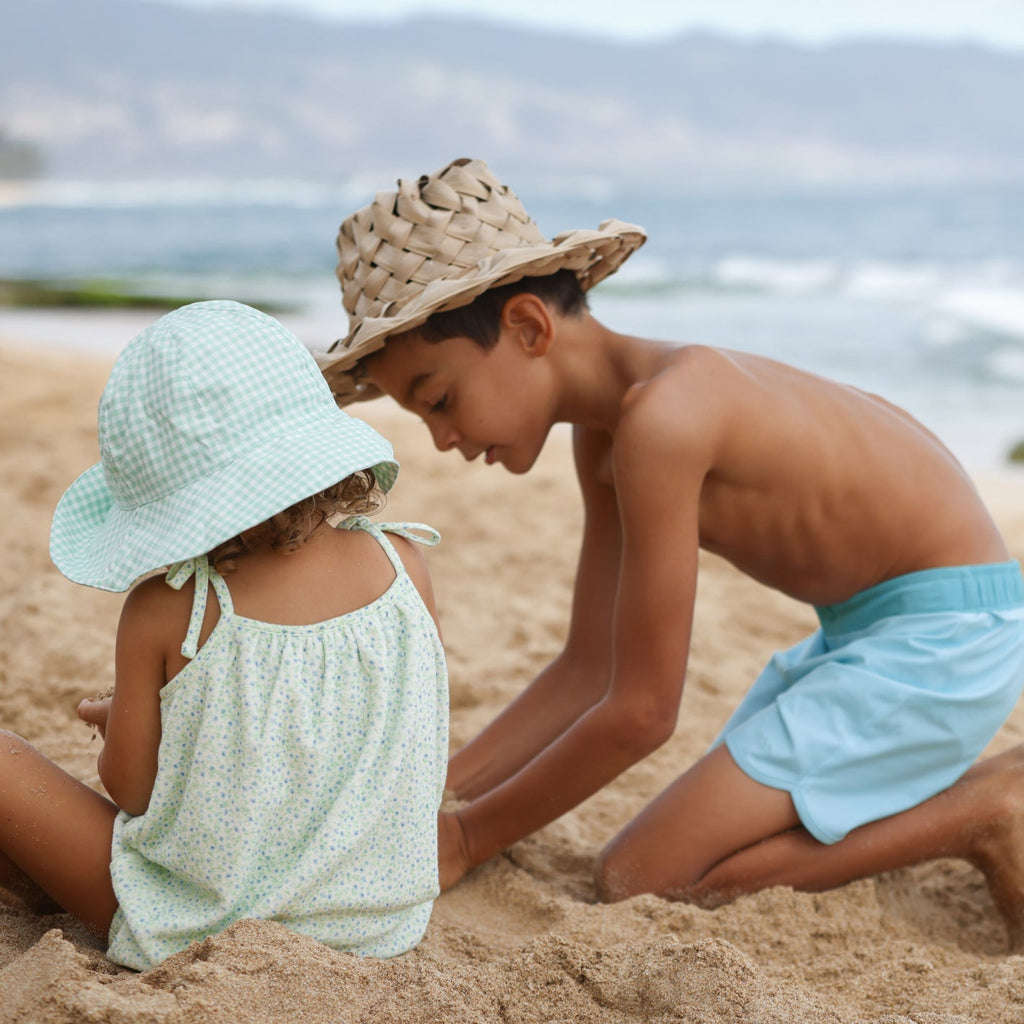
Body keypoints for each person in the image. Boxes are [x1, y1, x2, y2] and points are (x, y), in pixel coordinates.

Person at [318, 157, 1024, 950]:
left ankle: (986, 809)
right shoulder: (608, 432)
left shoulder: (665, 418)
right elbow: (587, 668)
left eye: (440, 400)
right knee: (698, 846)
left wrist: (470, 839)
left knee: (642, 875)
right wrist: (437, 793)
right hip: (875, 629)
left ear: (527, 328)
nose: (443, 441)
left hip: (944, 639)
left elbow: (645, 713)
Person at [0, 300, 448, 971]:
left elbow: (133, 791)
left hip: (200, 927)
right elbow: (403, 733)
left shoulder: (166, 609)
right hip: (379, 923)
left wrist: (122, 724)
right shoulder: (405, 564)